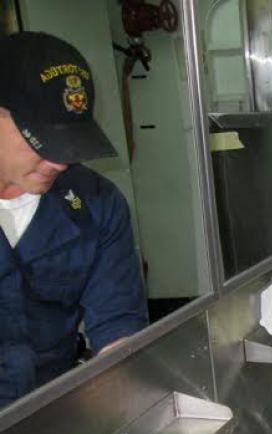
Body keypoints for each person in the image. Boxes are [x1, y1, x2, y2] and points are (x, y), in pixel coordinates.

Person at [0, 32, 148, 408]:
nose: (59, 162)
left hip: (54, 414)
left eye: (69, 144)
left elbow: (118, 329)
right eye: (42, 141)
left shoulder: (96, 205)